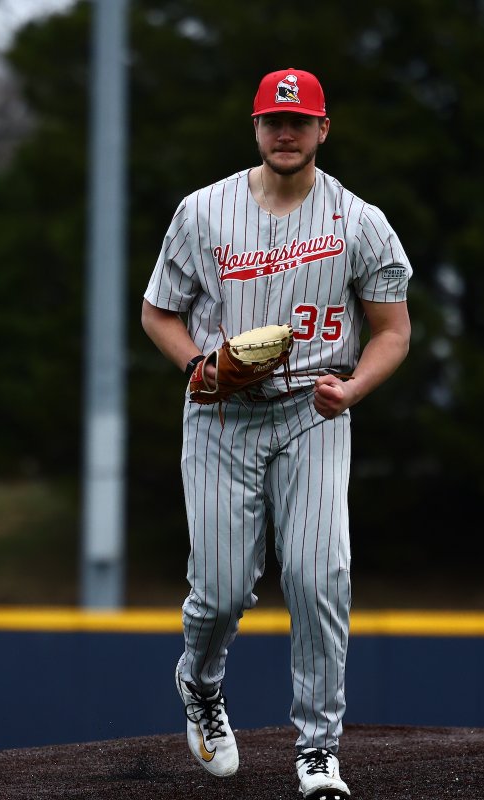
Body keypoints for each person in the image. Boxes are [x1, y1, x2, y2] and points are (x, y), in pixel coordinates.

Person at [140, 67, 412, 800]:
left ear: (323, 129)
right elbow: (159, 312)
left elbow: (392, 331)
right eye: (273, 121)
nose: (285, 133)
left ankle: (318, 750)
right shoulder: (203, 211)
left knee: (319, 577)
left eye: (299, 121)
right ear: (256, 128)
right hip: (223, 414)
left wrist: (352, 388)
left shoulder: (359, 221)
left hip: (312, 411)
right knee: (222, 591)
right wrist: (197, 367)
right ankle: (200, 683)